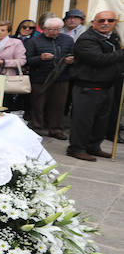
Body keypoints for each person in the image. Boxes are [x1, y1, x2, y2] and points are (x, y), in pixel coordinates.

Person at [66, 10, 124, 161]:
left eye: (110, 20)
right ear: (93, 23)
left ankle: (93, 146)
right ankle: (77, 148)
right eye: (101, 20)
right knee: (84, 119)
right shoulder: (87, 39)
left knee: (101, 120)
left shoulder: (115, 37)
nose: (106, 23)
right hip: (88, 86)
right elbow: (98, 59)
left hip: (108, 85)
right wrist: (122, 53)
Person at [26, 18, 73, 139]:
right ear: (45, 29)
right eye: (52, 29)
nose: (55, 32)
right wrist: (40, 58)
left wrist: (70, 60)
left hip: (61, 77)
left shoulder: (67, 40)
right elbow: (27, 60)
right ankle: (37, 127)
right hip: (40, 77)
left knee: (59, 104)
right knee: (38, 103)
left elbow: (73, 54)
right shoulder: (34, 41)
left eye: (58, 29)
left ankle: (56, 129)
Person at [0, 20, 26, 86]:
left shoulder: (16, 43)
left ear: (8, 32)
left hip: (8, 79)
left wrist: (3, 62)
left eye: (2, 30)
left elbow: (22, 61)